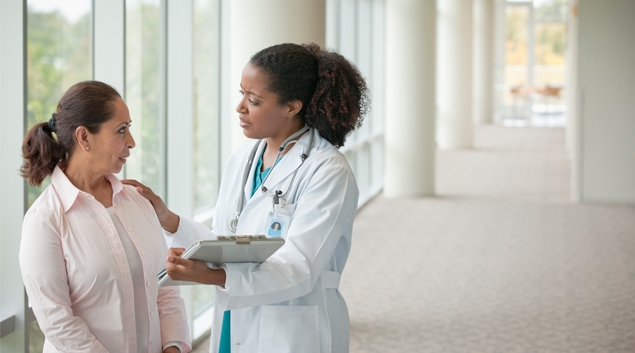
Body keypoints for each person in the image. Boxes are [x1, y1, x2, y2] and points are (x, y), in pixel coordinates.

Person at [125, 42, 369, 353]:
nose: (240, 107)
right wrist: (168, 219)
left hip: (291, 328)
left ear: (292, 106)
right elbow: (228, 243)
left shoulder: (328, 170)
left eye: (253, 100)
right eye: (241, 94)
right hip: (234, 318)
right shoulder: (242, 160)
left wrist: (218, 276)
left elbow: (300, 267)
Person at [19, 81, 191, 353]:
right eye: (121, 130)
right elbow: (56, 320)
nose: (131, 142)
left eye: (129, 128)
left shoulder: (138, 200)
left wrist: (173, 348)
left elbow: (164, 289)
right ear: (84, 137)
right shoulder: (45, 219)